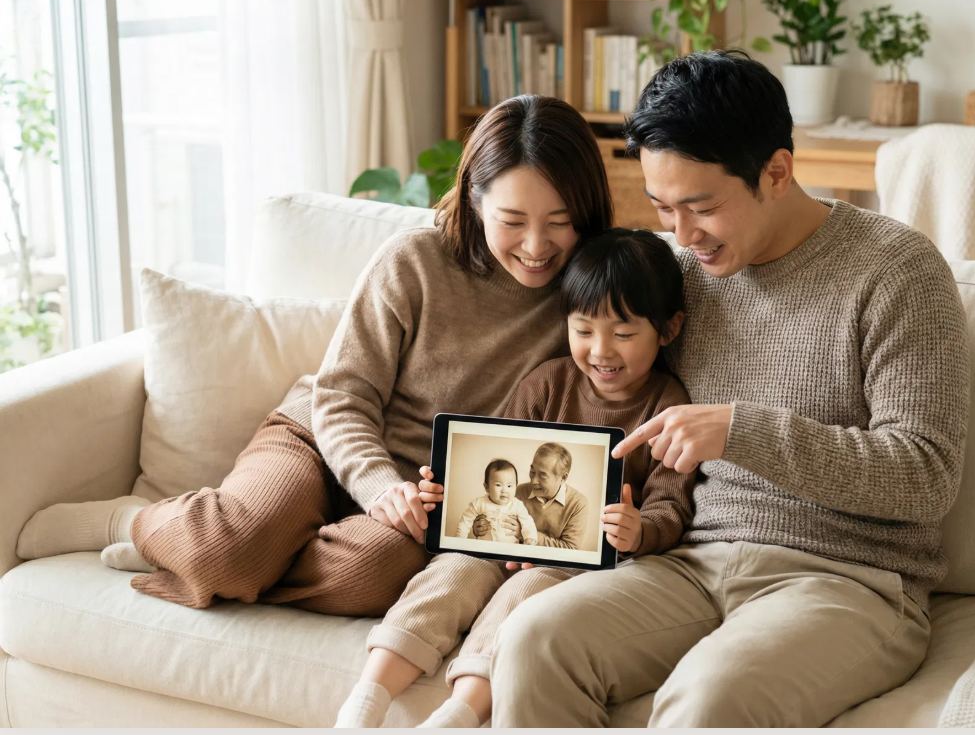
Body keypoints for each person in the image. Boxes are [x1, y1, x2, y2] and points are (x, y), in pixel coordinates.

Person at [490, 50, 971, 727]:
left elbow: (926, 475)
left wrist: (742, 430)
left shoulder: (898, 271)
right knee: (532, 640)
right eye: (663, 208)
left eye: (701, 207)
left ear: (776, 171)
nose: (683, 236)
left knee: (710, 697)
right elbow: (597, 383)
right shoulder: (682, 279)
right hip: (690, 563)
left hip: (848, 581)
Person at [14, 94, 613, 618]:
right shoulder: (417, 261)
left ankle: (240, 550)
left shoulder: (594, 297)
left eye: (559, 223)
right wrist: (377, 483)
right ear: (475, 201)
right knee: (230, 549)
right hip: (323, 439)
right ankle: (139, 523)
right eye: (512, 221)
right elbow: (343, 395)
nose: (537, 247)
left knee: (372, 576)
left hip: (422, 503)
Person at [334, 227, 696, 728]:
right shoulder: (547, 383)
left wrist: (640, 529)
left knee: (524, 602)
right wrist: (445, 491)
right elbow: (494, 458)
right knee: (451, 573)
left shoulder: (668, 406)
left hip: (574, 564)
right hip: (498, 538)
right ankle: (364, 702)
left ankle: (456, 717)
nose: (601, 350)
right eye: (583, 330)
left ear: (669, 329)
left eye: (625, 333)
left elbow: (671, 506)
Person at [455, 459, 537, 544]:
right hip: (483, 547)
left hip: (510, 548)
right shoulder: (479, 503)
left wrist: (530, 538)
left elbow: (528, 523)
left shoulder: (517, 505)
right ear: (487, 487)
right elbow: (465, 522)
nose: (504, 490)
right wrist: (459, 541)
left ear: (516, 486)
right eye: (498, 485)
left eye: (509, 486)